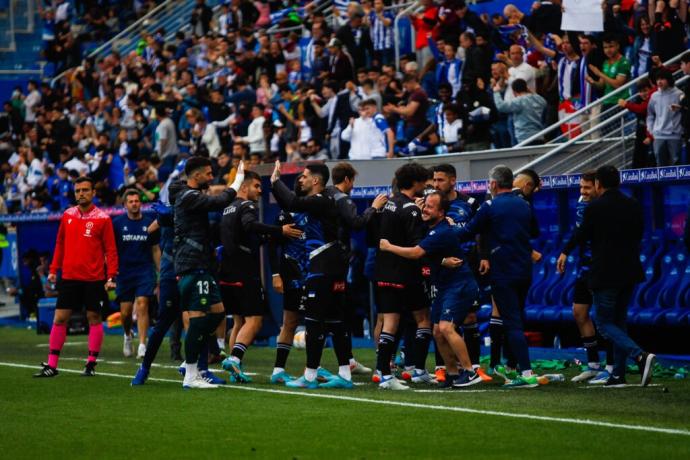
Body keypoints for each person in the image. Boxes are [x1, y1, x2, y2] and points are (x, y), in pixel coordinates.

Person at [559, 165, 656, 387]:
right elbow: (640, 234)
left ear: (598, 184)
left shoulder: (594, 208)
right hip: (630, 271)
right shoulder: (633, 205)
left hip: (605, 272)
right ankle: (617, 375)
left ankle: (640, 356)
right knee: (619, 322)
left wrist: (564, 251)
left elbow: (581, 235)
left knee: (603, 323)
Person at [379, 191, 482, 388]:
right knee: (437, 331)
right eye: (424, 205)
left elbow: (417, 253)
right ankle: (452, 373)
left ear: (442, 212)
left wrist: (389, 247)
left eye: (430, 207)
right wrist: (442, 261)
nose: (425, 209)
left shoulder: (440, 231)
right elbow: (431, 253)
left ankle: (470, 372)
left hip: (459, 285)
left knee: (445, 327)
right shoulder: (432, 228)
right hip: (445, 286)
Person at [453, 165, 540, 388]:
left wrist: (448, 229)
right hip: (524, 270)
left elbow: (467, 232)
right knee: (517, 318)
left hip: (503, 272)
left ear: (492, 184)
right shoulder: (524, 204)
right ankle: (514, 367)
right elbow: (535, 232)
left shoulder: (489, 206)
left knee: (511, 323)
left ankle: (526, 372)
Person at [271, 161, 354, 389]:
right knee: (336, 321)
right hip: (332, 264)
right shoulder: (322, 202)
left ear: (316, 180)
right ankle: (345, 374)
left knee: (314, 322)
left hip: (323, 265)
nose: (301, 179)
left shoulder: (320, 200)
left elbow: (292, 201)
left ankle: (309, 377)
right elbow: (292, 205)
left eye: (305, 176)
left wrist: (275, 181)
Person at [219, 171, 303, 383]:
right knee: (254, 320)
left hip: (226, 270)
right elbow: (249, 226)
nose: (259, 190)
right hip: (244, 270)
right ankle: (236, 360)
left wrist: (267, 237)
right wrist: (278, 230)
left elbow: (246, 235)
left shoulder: (227, 208)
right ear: (245, 187)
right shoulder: (248, 206)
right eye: (256, 186)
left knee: (238, 320)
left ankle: (234, 366)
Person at [34, 177, 118, 378]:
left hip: (94, 278)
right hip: (69, 276)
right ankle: (52, 365)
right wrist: (54, 269)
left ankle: (91, 363)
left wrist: (111, 275)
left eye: (85, 190)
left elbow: (111, 250)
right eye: (78, 190)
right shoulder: (67, 215)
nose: (81, 193)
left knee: (94, 318)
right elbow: (60, 244)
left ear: (93, 193)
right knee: (60, 318)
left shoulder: (103, 218)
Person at [173, 157, 245, 389]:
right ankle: (191, 373)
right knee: (203, 317)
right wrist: (238, 181)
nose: (211, 176)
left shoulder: (190, 195)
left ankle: (191, 367)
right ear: (196, 176)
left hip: (201, 264)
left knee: (215, 314)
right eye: (208, 173)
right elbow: (219, 201)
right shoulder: (188, 196)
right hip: (192, 265)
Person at [326, 162, 388, 375]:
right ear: (348, 180)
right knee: (336, 313)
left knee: (338, 312)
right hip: (337, 262)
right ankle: (336, 364)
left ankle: (347, 360)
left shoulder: (325, 195)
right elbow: (358, 223)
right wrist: (374, 207)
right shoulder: (342, 199)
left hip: (326, 258)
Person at [374, 162, 432, 390]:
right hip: (406, 274)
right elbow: (418, 245)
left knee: (391, 322)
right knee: (422, 319)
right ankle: (413, 370)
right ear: (416, 182)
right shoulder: (412, 209)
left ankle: (384, 371)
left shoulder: (389, 204)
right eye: (423, 182)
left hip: (384, 271)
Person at [556, 172, 614, 383]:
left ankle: (611, 366)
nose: (583, 192)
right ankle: (592, 365)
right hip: (584, 268)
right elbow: (578, 232)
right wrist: (566, 251)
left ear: (598, 187)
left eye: (587, 188)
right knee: (579, 313)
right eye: (581, 187)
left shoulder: (606, 206)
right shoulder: (582, 203)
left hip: (602, 268)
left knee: (605, 317)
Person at [269, 176, 308, 384]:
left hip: (315, 275)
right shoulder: (285, 216)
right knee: (289, 322)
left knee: (317, 322)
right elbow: (272, 246)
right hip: (293, 276)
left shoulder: (317, 210)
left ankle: (311, 369)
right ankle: (278, 370)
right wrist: (276, 275)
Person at [112, 189, 160, 359]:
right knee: (125, 313)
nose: (134, 204)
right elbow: (111, 251)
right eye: (130, 201)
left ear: (141, 203)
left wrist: (160, 273)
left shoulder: (150, 223)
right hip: (124, 272)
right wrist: (111, 274)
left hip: (144, 270)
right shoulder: (117, 224)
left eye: (136, 201)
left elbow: (155, 249)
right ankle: (127, 335)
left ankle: (142, 344)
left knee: (142, 304)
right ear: (125, 204)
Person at [647, 68, 683, 166]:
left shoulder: (679, 94)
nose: (659, 82)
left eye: (662, 79)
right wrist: (651, 129)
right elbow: (650, 114)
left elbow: (684, 110)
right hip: (658, 135)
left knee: (676, 164)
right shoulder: (654, 96)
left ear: (669, 80)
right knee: (660, 165)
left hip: (675, 134)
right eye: (658, 79)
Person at [493, 78, 547, 144]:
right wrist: (530, 91)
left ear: (514, 92)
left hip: (525, 138)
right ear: (526, 88)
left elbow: (501, 106)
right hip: (540, 136)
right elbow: (544, 102)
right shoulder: (539, 99)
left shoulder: (519, 101)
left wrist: (496, 92)